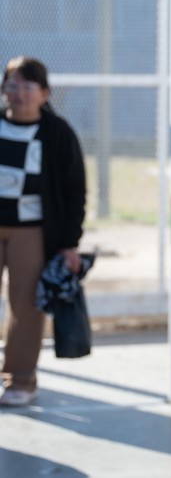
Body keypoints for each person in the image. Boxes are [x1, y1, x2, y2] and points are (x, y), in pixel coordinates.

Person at [0, 57, 86, 407]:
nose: (18, 93)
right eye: (11, 84)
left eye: (26, 86)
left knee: (25, 307)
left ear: (44, 92)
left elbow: (74, 190)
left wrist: (69, 244)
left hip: (31, 233)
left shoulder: (57, 133)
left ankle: (20, 379)